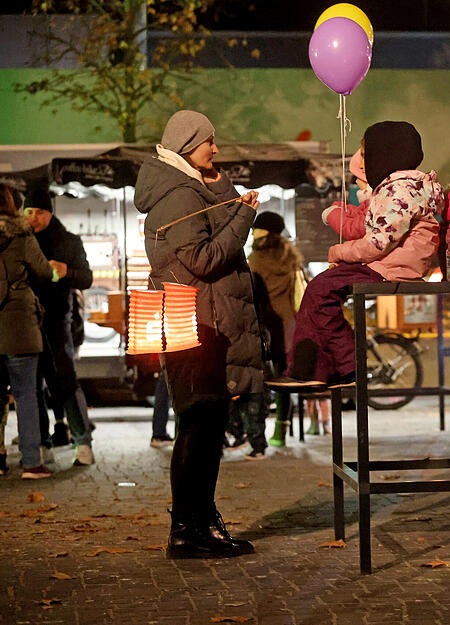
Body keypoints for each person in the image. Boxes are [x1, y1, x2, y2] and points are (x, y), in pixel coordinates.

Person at [135, 109, 263, 558]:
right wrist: (245, 220)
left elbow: (214, 224)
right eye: (211, 141)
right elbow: (205, 259)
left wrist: (225, 191)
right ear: (191, 144)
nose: (217, 149)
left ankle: (201, 523)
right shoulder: (176, 196)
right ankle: (188, 530)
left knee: (207, 425)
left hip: (206, 322)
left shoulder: (189, 187)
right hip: (197, 323)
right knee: (198, 425)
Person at [287, 121, 443, 386]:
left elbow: (378, 242)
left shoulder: (398, 191)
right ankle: (335, 367)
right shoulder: (405, 187)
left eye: (367, 154)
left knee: (319, 291)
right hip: (394, 263)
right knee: (321, 291)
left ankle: (325, 367)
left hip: (390, 266)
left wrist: (338, 252)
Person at [23, 188, 96, 466]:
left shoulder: (68, 241)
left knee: (64, 380)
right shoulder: (19, 240)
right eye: (29, 212)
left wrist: (67, 272)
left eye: (39, 212)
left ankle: (83, 443)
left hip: (57, 321)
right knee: (32, 385)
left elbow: (87, 279)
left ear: (50, 212)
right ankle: (42, 443)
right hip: (25, 323)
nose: (34, 219)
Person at [1, 182, 54, 479]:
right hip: (19, 324)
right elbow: (44, 271)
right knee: (25, 395)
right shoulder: (22, 235)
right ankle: (31, 462)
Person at [247, 210, 305, 453]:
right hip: (289, 326)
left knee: (260, 380)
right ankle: (281, 430)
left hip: (264, 326)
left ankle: (256, 433)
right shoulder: (291, 257)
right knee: (284, 378)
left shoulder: (255, 260)